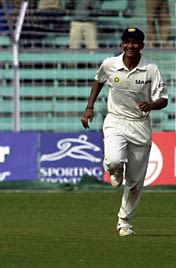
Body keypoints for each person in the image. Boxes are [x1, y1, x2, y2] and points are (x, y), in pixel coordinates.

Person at [81, 27, 168, 236]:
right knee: (113, 160)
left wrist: (152, 105)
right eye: (127, 42)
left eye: (135, 42)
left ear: (142, 45)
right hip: (116, 120)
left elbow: (163, 99)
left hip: (140, 124)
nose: (131, 46)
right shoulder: (110, 64)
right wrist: (89, 107)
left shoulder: (151, 69)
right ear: (122, 44)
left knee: (136, 182)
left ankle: (124, 221)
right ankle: (115, 169)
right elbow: (98, 80)